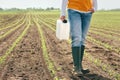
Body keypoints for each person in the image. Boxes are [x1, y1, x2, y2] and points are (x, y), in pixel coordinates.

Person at [60, 0, 98, 75]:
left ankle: (79, 67)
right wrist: (63, 13)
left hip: (88, 12)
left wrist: (95, 8)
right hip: (74, 11)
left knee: (82, 39)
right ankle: (76, 68)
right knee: (77, 38)